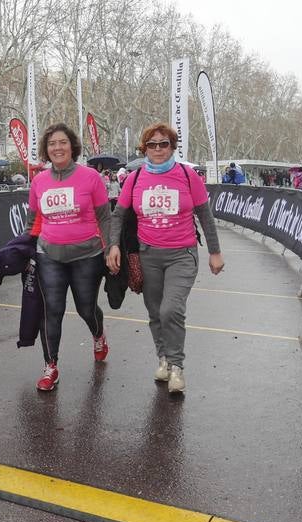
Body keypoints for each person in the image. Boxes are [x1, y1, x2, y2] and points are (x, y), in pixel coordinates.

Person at [106, 123, 224, 396]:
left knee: (171, 310)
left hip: (182, 255)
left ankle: (177, 366)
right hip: (148, 256)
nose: (158, 149)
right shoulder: (134, 179)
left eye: (164, 144)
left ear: (172, 147)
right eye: (152, 144)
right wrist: (113, 245)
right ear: (144, 148)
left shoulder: (187, 174)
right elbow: (119, 215)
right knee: (155, 312)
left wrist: (215, 252)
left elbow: (205, 215)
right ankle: (164, 358)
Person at [26, 123, 112, 391]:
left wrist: (110, 249)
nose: (57, 148)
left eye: (62, 142)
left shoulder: (90, 178)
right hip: (49, 254)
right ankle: (50, 366)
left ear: (72, 146)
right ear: (46, 149)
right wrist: (27, 249)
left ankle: (98, 334)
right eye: (52, 144)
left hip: (87, 254)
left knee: (86, 308)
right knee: (52, 310)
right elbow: (32, 218)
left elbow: (104, 217)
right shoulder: (39, 181)